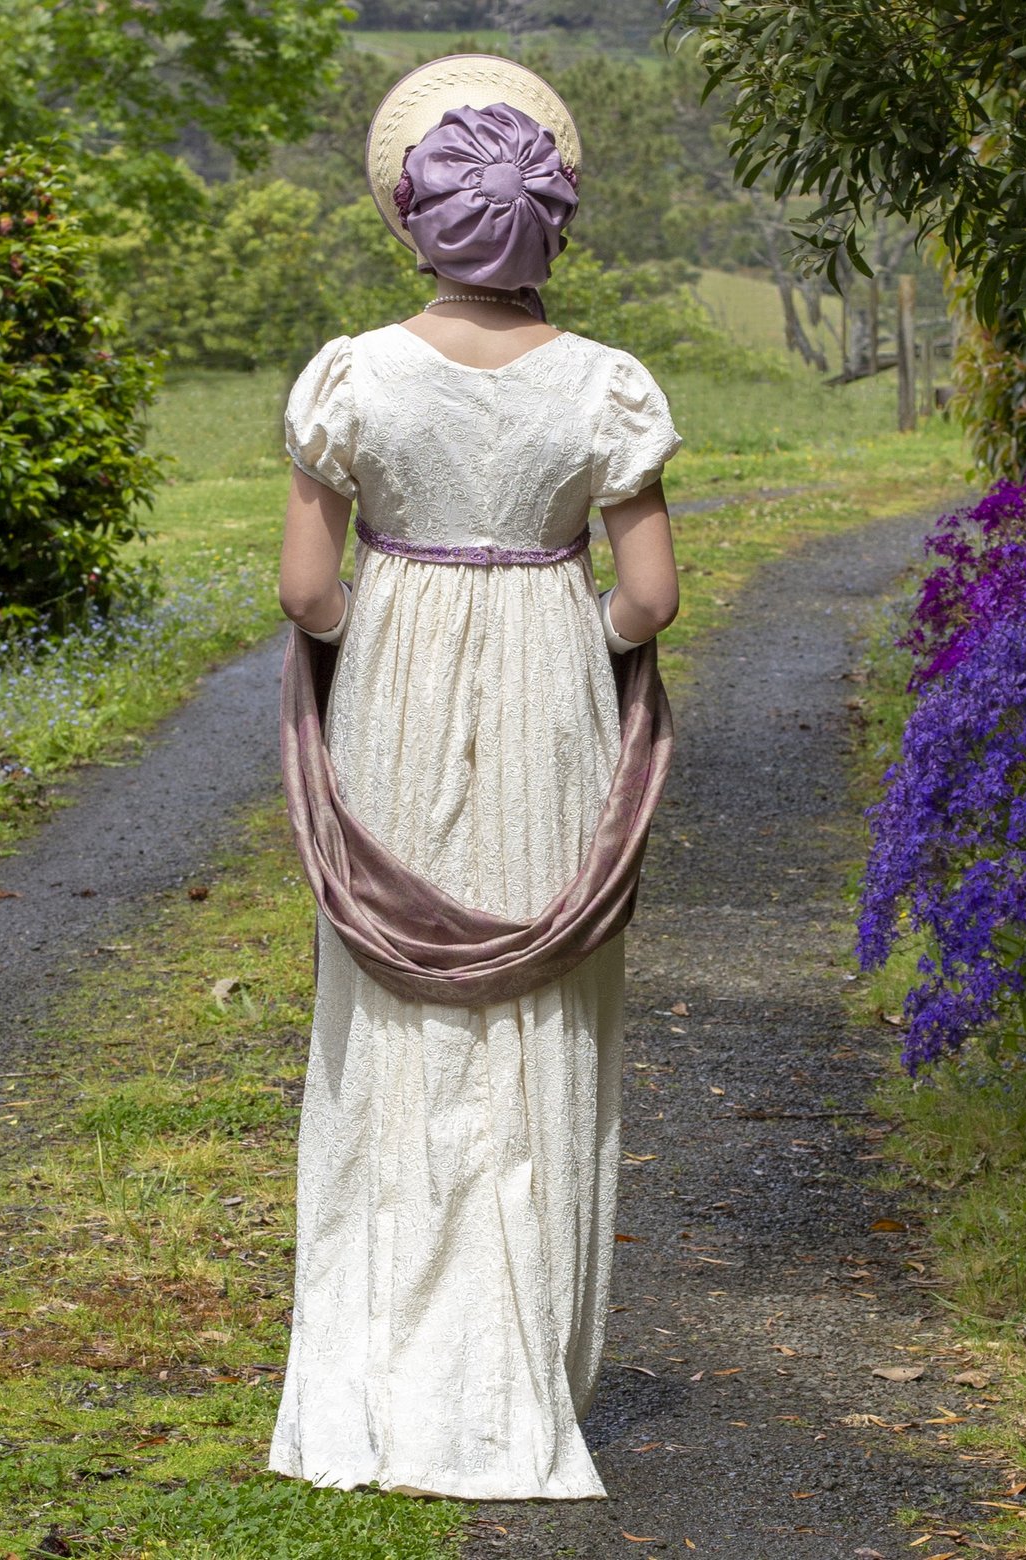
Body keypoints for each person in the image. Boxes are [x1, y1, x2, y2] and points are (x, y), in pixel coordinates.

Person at [267, 55, 682, 1502]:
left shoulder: (353, 378)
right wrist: (567, 632)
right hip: (549, 688)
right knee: (540, 1007)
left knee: (390, 1008)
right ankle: (516, 1384)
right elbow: (651, 594)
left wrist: (396, 619)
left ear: (411, 218)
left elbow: (308, 591)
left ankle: (380, 1380)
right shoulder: (606, 388)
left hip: (393, 678)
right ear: (549, 225)